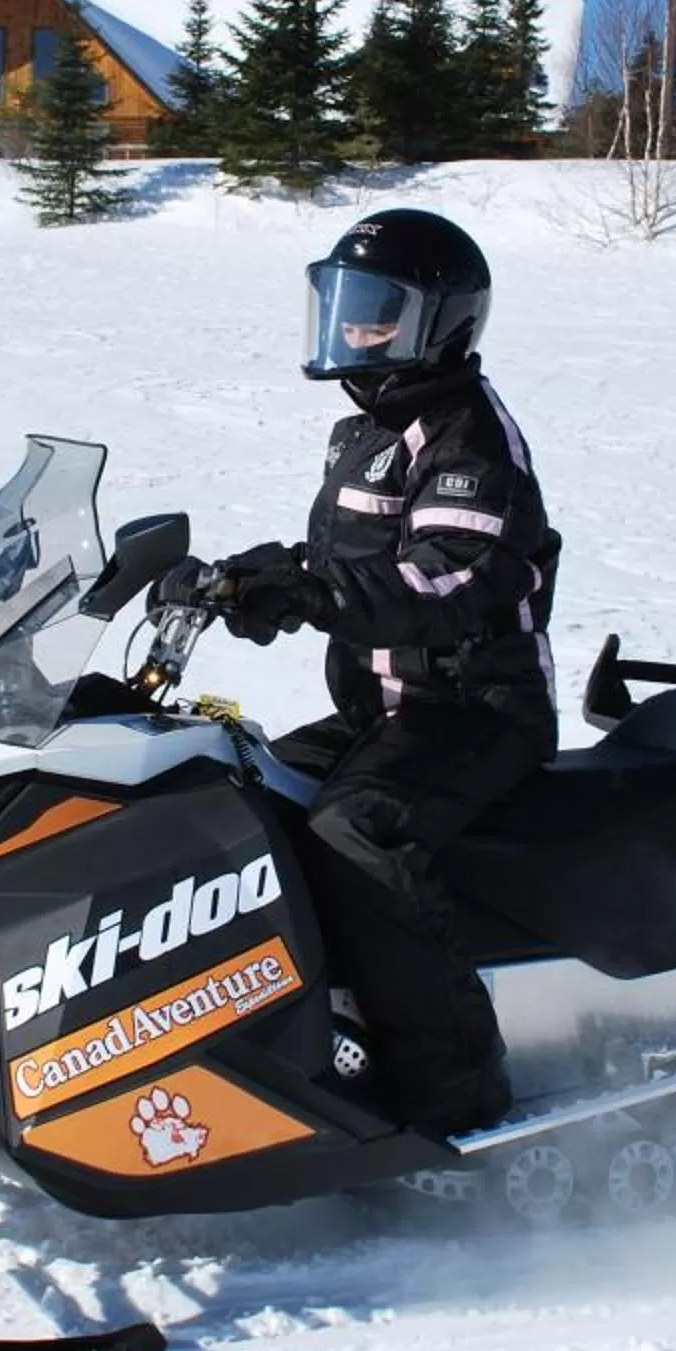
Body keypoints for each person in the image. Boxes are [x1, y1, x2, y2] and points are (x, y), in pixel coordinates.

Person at [202, 208, 561, 1135]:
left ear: (439, 323)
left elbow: (439, 575)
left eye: (377, 312)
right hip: (384, 710)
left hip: (474, 711)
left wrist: (312, 591)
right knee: (232, 797)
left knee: (359, 839)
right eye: (346, 306)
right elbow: (350, 556)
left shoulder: (470, 441)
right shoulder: (365, 428)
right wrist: (237, 581)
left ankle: (458, 1097)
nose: (353, 329)